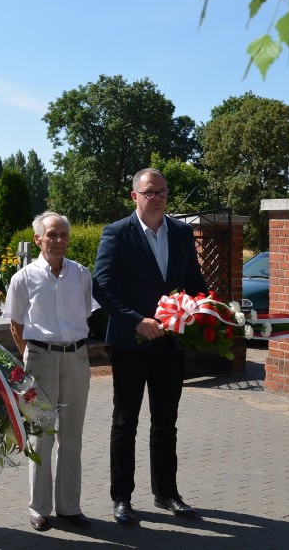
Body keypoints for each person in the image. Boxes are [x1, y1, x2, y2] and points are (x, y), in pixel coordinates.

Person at [92, 167, 208, 525]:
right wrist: (136, 320)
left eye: (161, 191)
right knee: (125, 422)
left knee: (165, 422)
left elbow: (194, 282)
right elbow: (103, 287)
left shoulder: (181, 232)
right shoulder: (116, 233)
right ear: (135, 196)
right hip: (130, 343)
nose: (156, 197)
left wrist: (203, 310)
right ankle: (122, 498)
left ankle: (166, 493)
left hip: (170, 344)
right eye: (149, 192)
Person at [3, 211, 98, 531]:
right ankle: (39, 507)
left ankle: (69, 506)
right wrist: (30, 357)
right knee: (40, 436)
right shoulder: (24, 278)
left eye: (63, 235)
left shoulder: (82, 275)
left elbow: (85, 314)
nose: (58, 241)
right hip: (40, 360)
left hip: (76, 359)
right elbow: (16, 324)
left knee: (72, 437)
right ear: (38, 239)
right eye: (52, 235)